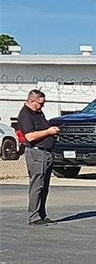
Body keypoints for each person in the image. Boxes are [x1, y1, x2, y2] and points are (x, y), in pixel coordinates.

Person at [17, 89, 61, 225]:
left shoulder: (39, 113)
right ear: (31, 101)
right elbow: (29, 136)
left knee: (44, 187)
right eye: (40, 103)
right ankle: (34, 217)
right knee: (37, 186)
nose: (42, 105)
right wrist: (48, 132)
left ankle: (42, 214)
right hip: (36, 154)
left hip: (46, 153)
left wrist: (52, 133)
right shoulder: (25, 115)